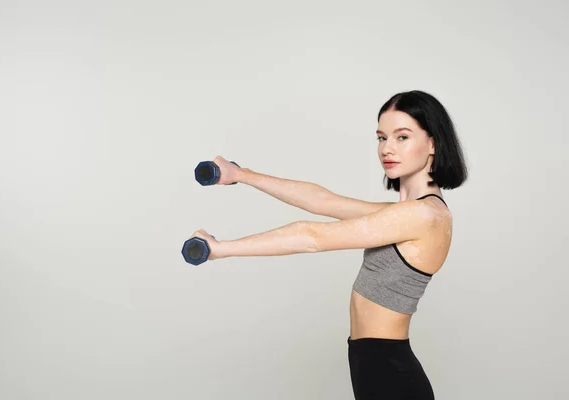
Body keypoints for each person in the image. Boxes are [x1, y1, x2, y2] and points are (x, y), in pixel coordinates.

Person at [187, 90, 468, 399]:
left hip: (391, 374)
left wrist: (219, 249)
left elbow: (312, 237)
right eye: (381, 137)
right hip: (373, 365)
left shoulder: (424, 216)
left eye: (402, 137)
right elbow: (322, 201)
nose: (387, 148)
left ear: (432, 144)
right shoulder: (405, 213)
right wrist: (240, 174)